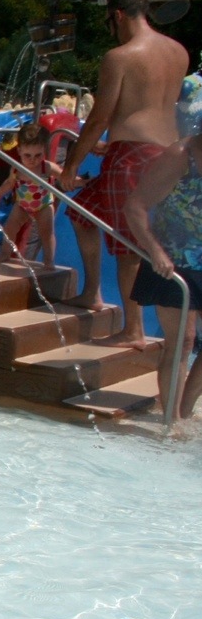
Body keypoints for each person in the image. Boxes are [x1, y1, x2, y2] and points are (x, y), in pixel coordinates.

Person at [59, 0, 188, 347]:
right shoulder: (178, 52)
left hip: (130, 158)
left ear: (117, 15)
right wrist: (111, 143)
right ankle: (92, 292)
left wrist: (72, 164)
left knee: (128, 244)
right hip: (167, 154)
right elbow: (150, 105)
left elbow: (100, 116)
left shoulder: (120, 57)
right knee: (82, 212)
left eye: (109, 24)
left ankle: (133, 329)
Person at [123, 134, 202, 421]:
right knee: (182, 341)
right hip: (173, 261)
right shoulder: (180, 156)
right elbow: (135, 206)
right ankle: (172, 423)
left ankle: (184, 411)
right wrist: (154, 251)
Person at [0, 121, 62, 270]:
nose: (33, 159)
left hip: (43, 205)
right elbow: (9, 183)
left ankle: (49, 261)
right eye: (28, 155)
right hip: (22, 205)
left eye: (38, 155)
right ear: (19, 151)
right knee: (10, 228)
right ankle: (5, 253)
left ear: (44, 151)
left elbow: (64, 175)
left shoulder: (46, 167)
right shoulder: (17, 168)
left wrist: (78, 180)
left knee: (47, 233)